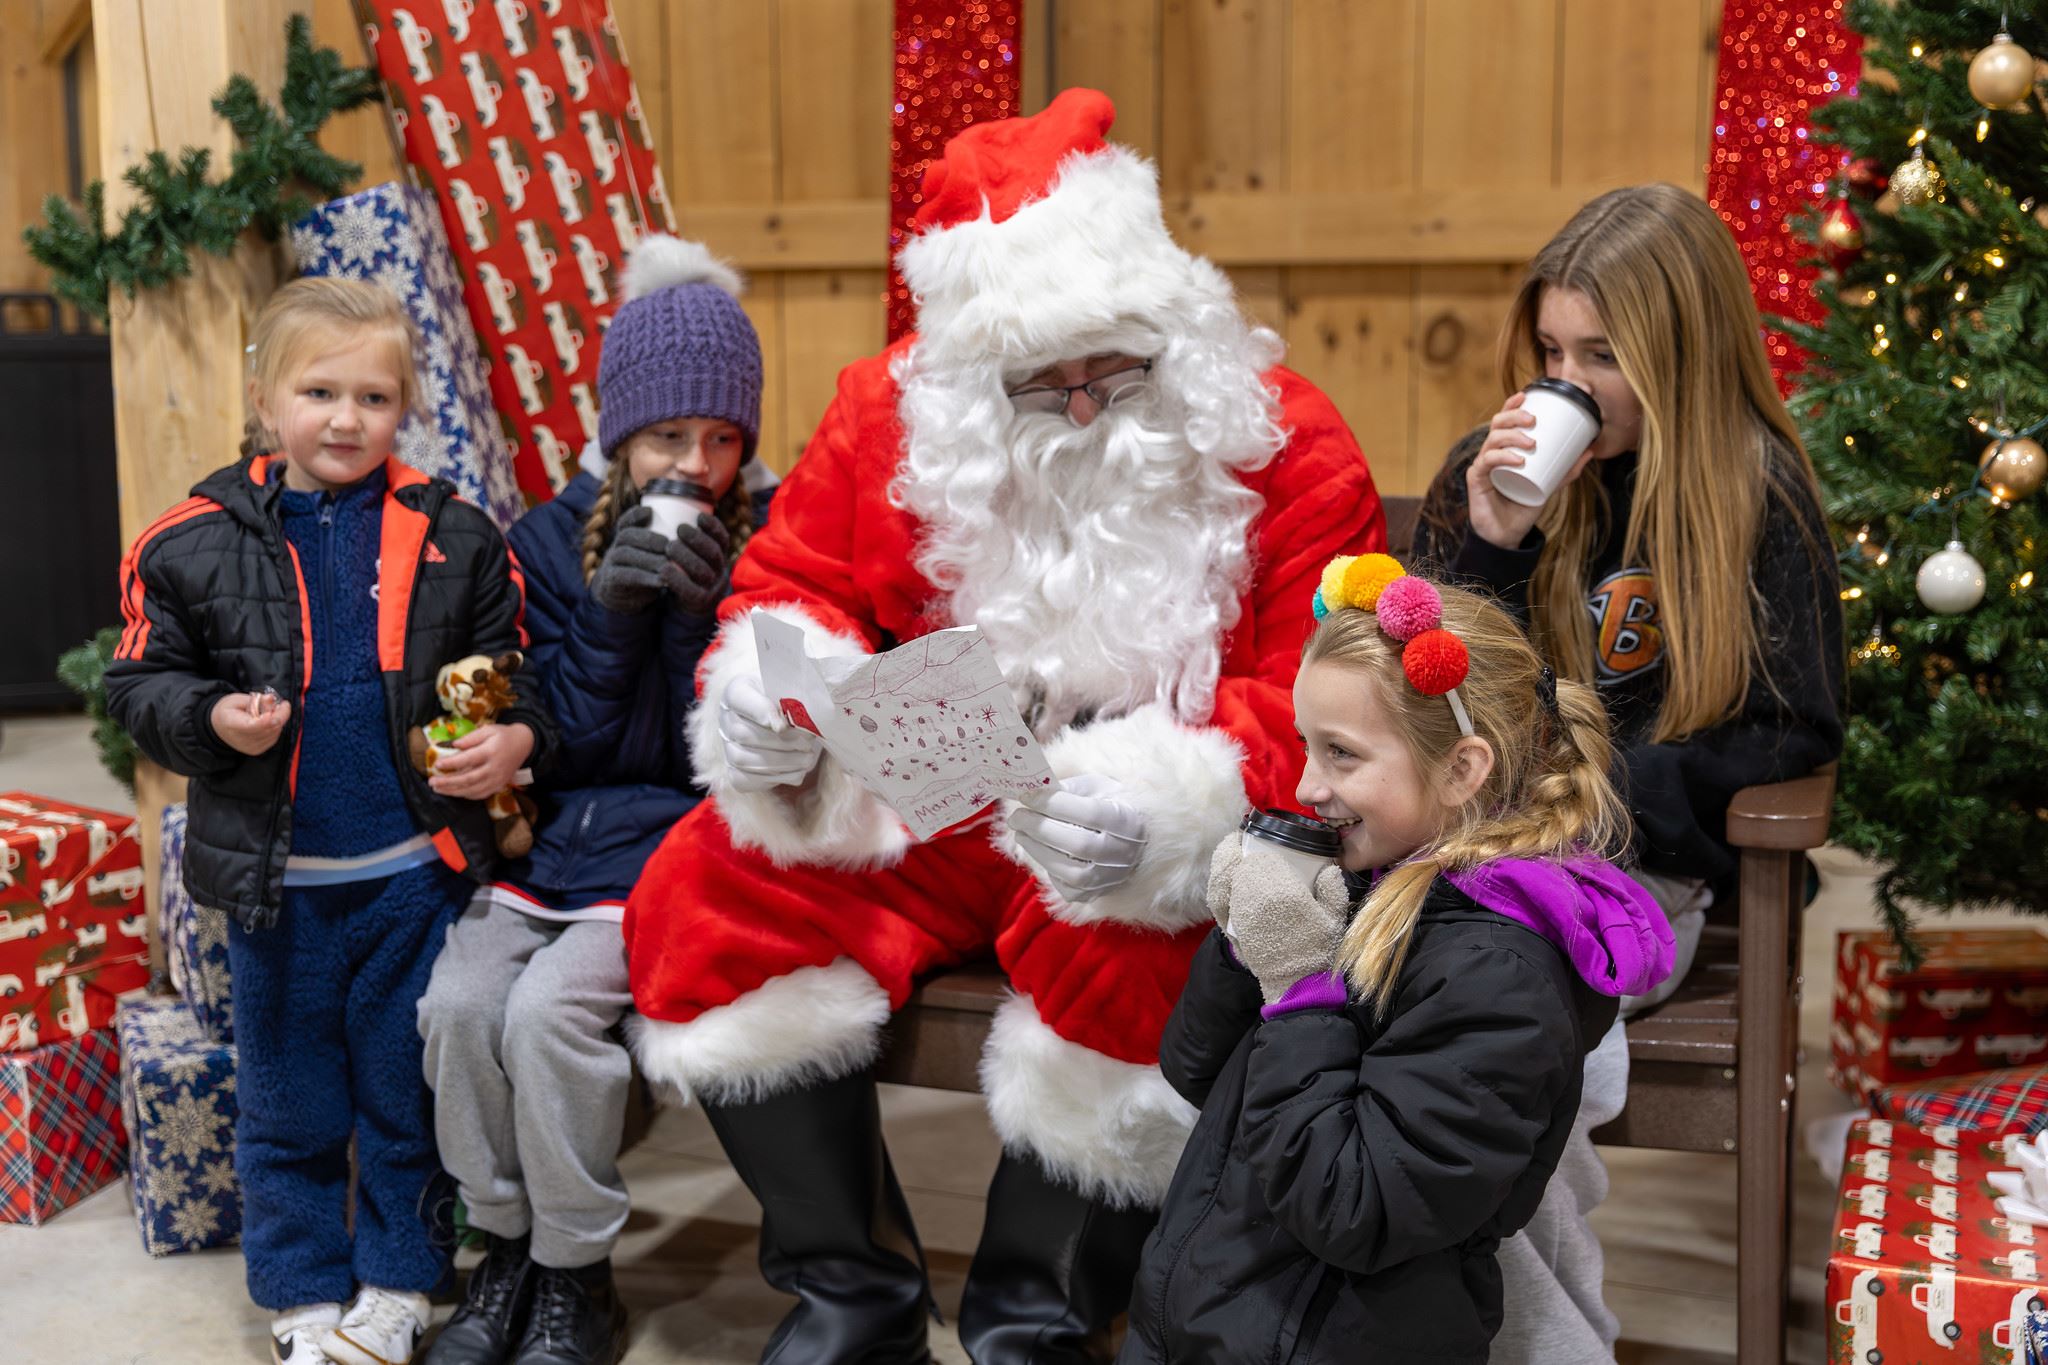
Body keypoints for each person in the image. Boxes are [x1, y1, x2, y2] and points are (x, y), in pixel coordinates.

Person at [620, 88, 1383, 1363]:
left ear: (1171, 331)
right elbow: (791, 585)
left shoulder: (1279, 439)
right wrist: (766, 700)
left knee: (1149, 962)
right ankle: (851, 1301)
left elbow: (1330, 689)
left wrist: (1168, 807)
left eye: (1116, 369)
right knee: (706, 890)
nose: (1081, 408)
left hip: (1140, 827)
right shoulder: (886, 414)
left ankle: (1038, 1323)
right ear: (975, 380)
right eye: (1040, 383)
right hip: (941, 784)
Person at [1410, 183, 1845, 1361]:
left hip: (1639, 865)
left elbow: (1790, 731)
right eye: (1551, 352)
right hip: (1475, 846)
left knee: (1500, 1029)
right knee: (1379, 996)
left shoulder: (1752, 495)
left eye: (1601, 356)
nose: (1568, 383)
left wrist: (1608, 798)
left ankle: (1539, 1339)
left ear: (1679, 357)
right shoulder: (1487, 478)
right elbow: (1426, 695)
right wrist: (1490, 549)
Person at [106, 277, 556, 1365]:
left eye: (374, 397)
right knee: (289, 1104)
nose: (347, 419)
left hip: (411, 877)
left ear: (405, 407)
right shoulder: (189, 540)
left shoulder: (454, 532)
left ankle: (398, 1284)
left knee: (404, 1099)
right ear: (266, 400)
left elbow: (515, 670)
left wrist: (514, 739)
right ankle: (302, 1294)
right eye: (319, 392)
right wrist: (213, 718)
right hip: (279, 893)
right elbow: (140, 687)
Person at [1120, 560, 1673, 1363]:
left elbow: (1357, 1208)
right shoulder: (1362, 880)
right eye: (1306, 746)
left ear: (1461, 769)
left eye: (1341, 754)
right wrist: (1244, 940)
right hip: (1216, 1321)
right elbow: (1199, 1071)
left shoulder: (1502, 976)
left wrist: (1298, 984)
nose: (1307, 784)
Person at [416, 238, 774, 1365]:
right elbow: (562, 743)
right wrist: (614, 613)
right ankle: (505, 1246)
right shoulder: (541, 540)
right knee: (459, 1007)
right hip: (551, 843)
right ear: (620, 433)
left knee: (547, 1017)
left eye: (723, 438)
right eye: (670, 437)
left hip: (672, 852)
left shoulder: (767, 542)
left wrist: (699, 616)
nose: (698, 464)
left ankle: (575, 1271)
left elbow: (701, 760)